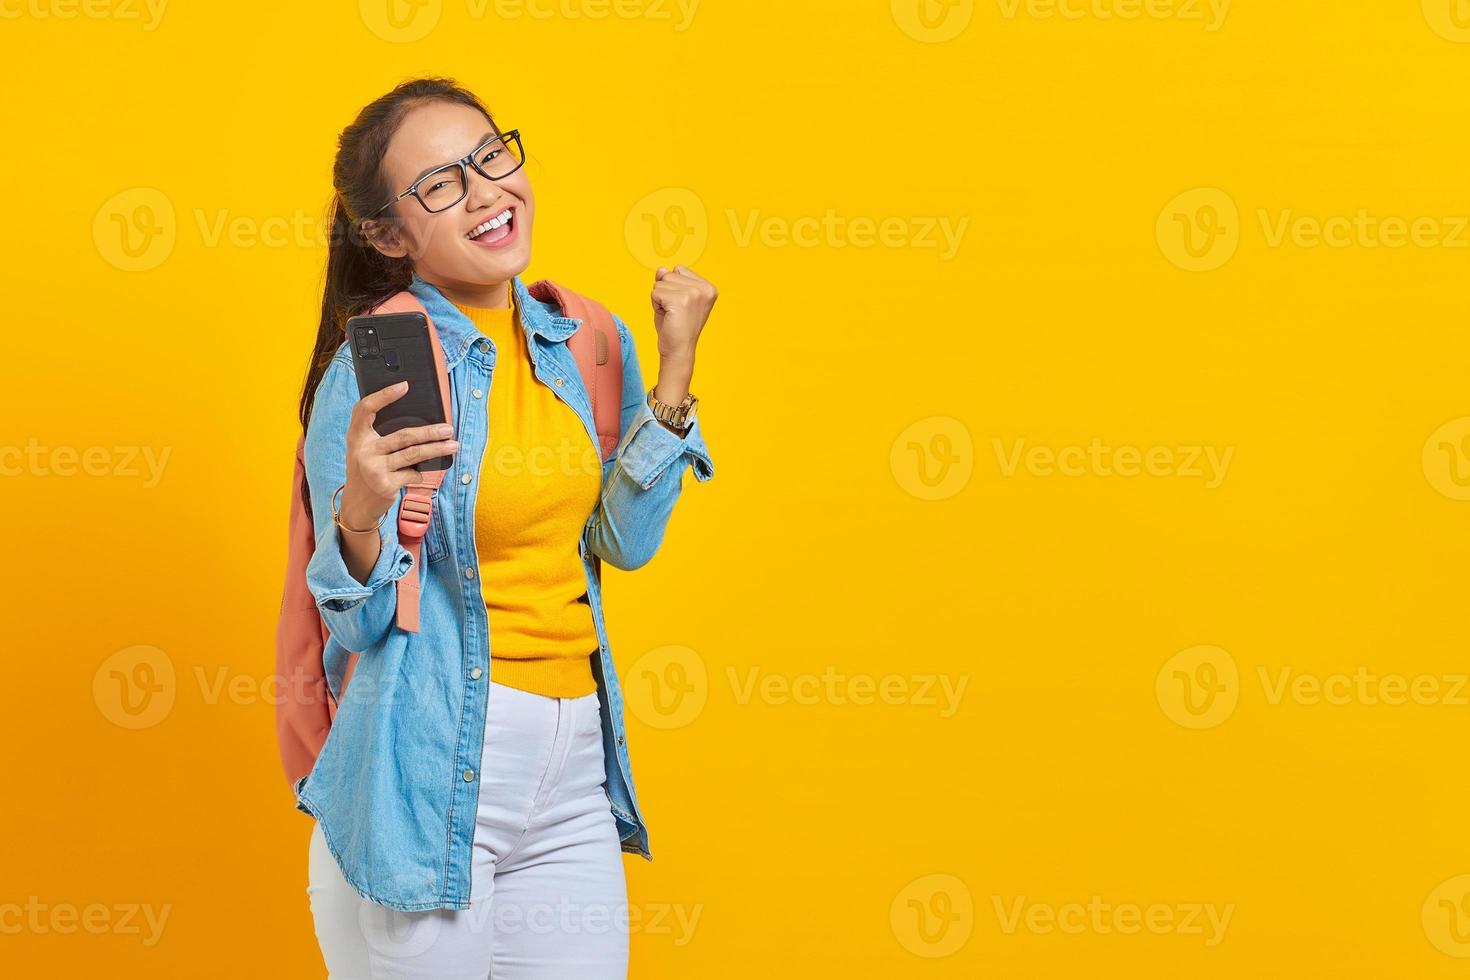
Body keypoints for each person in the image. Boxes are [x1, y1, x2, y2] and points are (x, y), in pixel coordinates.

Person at [292, 76, 717, 979]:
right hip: (425, 758)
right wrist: (360, 511)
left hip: (573, 768)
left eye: (490, 157)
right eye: (441, 183)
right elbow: (361, 625)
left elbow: (623, 545)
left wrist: (674, 376)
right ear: (387, 235)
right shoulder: (380, 372)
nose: (487, 191)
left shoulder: (585, 341)